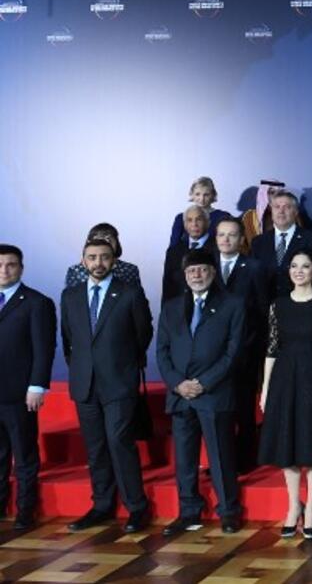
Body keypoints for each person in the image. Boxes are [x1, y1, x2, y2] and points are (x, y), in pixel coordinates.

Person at [60, 239, 153, 533]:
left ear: (113, 260)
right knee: (96, 447)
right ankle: (102, 505)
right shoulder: (71, 295)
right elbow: (68, 338)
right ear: (83, 261)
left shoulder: (130, 293)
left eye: (104, 257)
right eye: (92, 257)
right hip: (84, 384)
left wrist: (124, 364)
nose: (98, 263)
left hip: (119, 383)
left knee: (118, 441)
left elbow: (143, 333)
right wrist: (81, 368)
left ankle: (136, 507)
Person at [155, 249, 244, 535]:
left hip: (214, 394)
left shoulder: (232, 304)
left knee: (220, 456)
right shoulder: (171, 307)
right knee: (184, 459)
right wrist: (178, 384)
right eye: (191, 271)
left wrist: (204, 383)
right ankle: (189, 512)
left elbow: (233, 352)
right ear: (184, 275)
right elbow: (162, 352)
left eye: (202, 269)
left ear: (213, 273)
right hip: (180, 395)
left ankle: (228, 512)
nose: (197, 275)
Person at [258, 251, 312, 539]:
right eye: (294, 266)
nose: (299, 271)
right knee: (288, 445)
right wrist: (266, 388)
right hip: (284, 380)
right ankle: (294, 506)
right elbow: (271, 349)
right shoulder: (278, 305)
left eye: (305, 266)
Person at [0, 244, 56, 530]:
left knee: (23, 455)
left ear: (21, 268)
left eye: (10, 264)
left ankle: (25, 510)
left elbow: (43, 349)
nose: (4, 270)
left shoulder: (37, 302)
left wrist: (37, 386)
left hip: (20, 393)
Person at [212, 217, 270, 473]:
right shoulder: (206, 267)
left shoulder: (254, 267)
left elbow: (262, 309)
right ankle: (222, 461)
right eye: (221, 234)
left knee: (244, 407)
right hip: (212, 352)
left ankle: (246, 459)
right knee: (218, 409)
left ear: (241, 239)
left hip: (245, 350)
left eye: (232, 235)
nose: (226, 239)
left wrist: (256, 345)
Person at [250, 191, 312, 297]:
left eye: (287, 207)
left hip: (300, 303)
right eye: (277, 207)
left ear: (295, 212)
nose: (281, 211)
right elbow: (252, 278)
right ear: (271, 211)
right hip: (265, 303)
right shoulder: (258, 242)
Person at [162, 205, 218, 301]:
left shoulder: (219, 248)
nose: (194, 224)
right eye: (189, 220)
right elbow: (167, 286)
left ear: (208, 223)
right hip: (180, 307)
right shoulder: (174, 251)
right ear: (184, 224)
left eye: (199, 220)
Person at [64, 223, 142, 289]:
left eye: (109, 240)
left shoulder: (129, 269)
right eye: (98, 241)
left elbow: (137, 298)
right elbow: (71, 298)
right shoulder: (76, 271)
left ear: (117, 243)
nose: (104, 245)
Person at [168, 177, 232, 246]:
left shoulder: (223, 217)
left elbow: (229, 243)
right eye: (197, 194)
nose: (202, 199)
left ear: (213, 195)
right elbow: (173, 246)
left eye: (206, 195)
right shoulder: (181, 218)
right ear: (192, 195)